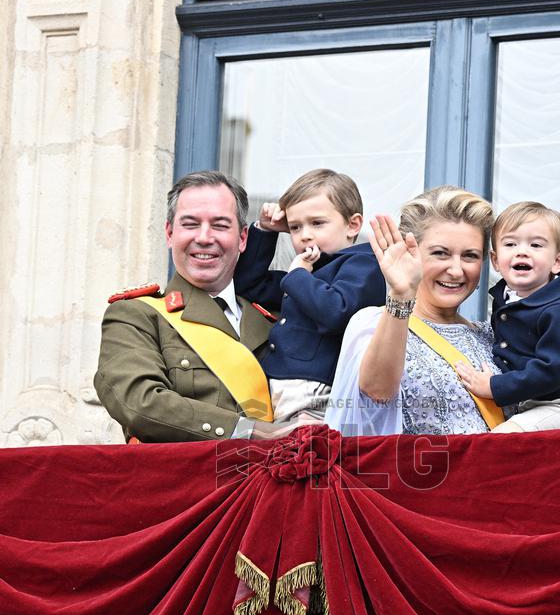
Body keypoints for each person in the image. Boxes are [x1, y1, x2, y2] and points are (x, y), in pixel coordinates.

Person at [95, 170, 306, 443]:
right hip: (188, 482)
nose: (205, 237)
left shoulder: (275, 317)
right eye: (191, 224)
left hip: (279, 481)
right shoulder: (136, 315)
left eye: (220, 225)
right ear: (170, 233)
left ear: (243, 239)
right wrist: (249, 431)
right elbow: (139, 402)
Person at [325, 185, 505, 436]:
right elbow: (377, 391)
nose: (456, 270)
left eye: (470, 256)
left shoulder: (492, 336)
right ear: (411, 253)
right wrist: (401, 294)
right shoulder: (373, 322)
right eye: (440, 253)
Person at [233, 168, 386, 422]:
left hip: (315, 392)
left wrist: (298, 276)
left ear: (352, 225)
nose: (304, 235)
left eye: (317, 223)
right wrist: (267, 230)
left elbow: (336, 312)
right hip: (276, 388)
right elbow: (249, 284)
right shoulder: (307, 274)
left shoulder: (363, 264)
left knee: (304, 458)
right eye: (295, 227)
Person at [456, 201, 560, 433]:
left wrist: (493, 386)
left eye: (536, 245)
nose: (522, 250)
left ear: (557, 262)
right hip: (529, 406)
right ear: (495, 260)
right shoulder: (508, 302)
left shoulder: (559, 313)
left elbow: (549, 371)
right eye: (510, 243)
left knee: (500, 438)